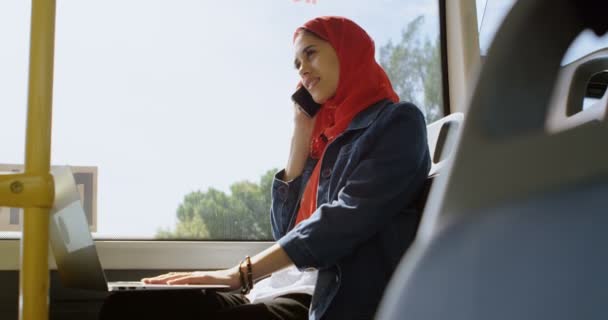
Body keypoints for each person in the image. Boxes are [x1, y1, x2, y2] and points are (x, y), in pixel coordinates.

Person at [99, 16, 430, 320]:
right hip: (268, 290)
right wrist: (301, 129)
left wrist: (239, 273)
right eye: (297, 63)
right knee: (126, 307)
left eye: (311, 54)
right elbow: (284, 231)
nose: (302, 69)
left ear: (348, 52)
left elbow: (344, 221)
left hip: (321, 298)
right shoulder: (323, 140)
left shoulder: (399, 123)